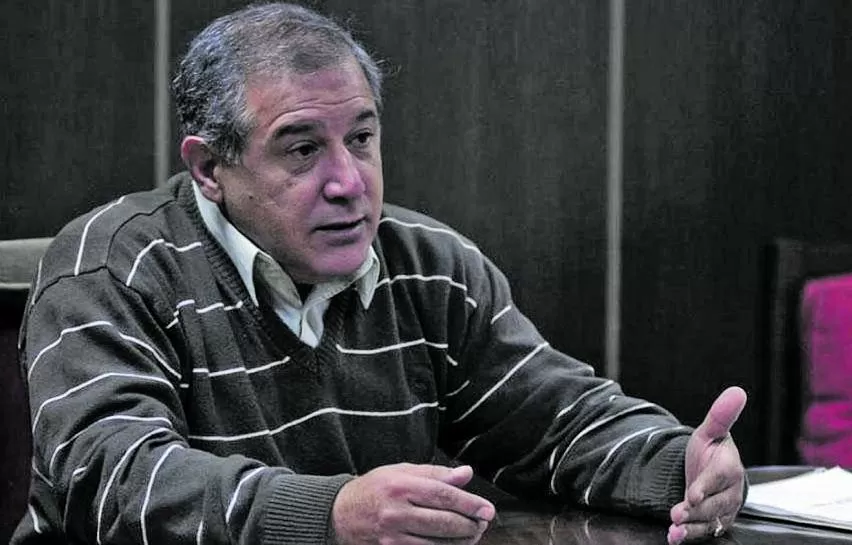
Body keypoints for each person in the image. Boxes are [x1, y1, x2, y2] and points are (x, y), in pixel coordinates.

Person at [12, 3, 747, 545]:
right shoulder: (111, 267)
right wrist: (329, 516)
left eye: (361, 138)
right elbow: (113, 482)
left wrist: (677, 464)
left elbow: (556, 421)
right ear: (209, 167)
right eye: (302, 149)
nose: (348, 183)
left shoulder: (429, 266)